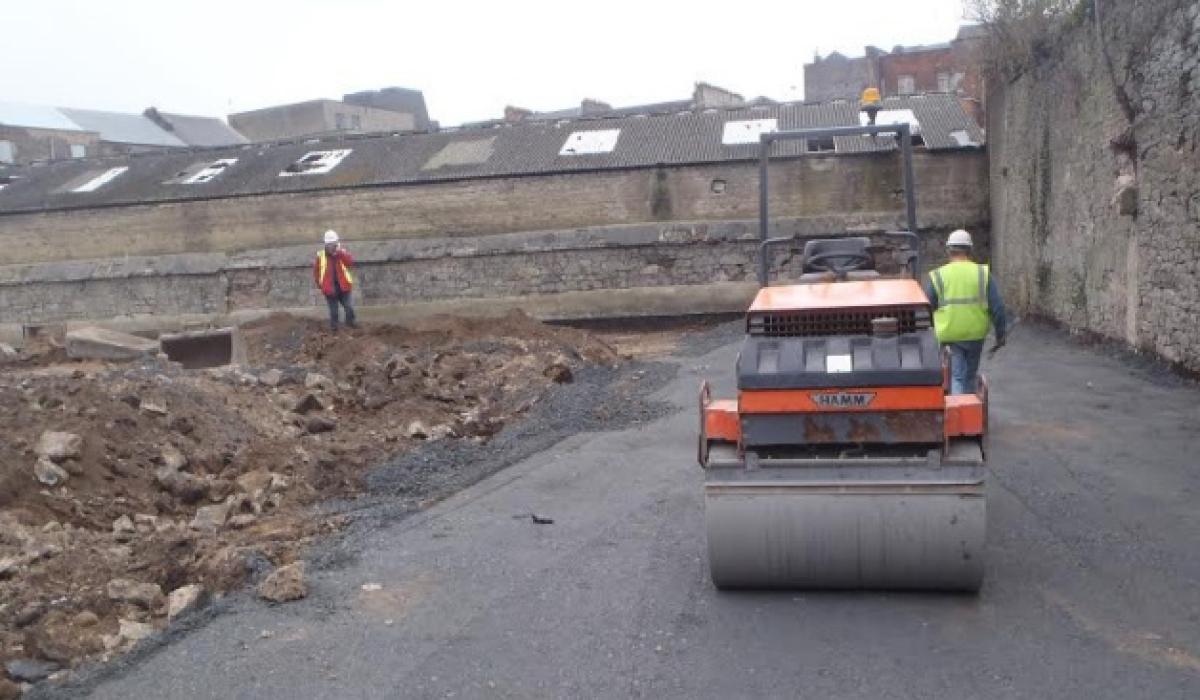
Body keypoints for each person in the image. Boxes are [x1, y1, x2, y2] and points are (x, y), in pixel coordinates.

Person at [924, 229, 1007, 395]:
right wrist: (1000, 335)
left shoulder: (938, 276)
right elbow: (997, 307)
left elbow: (927, 308)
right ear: (970, 250)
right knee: (969, 375)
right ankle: (970, 412)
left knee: (957, 376)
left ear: (949, 250)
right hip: (975, 334)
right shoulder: (982, 273)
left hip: (950, 334)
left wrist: (930, 332)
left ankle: (959, 416)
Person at [313, 229, 357, 332]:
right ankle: (334, 330)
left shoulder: (342, 254)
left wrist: (340, 253)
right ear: (326, 244)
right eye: (329, 244)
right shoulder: (321, 256)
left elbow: (350, 263)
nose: (331, 247)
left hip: (344, 287)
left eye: (334, 244)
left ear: (337, 243)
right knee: (334, 312)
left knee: (349, 307)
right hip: (330, 289)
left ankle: (350, 324)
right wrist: (321, 285)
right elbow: (316, 272)